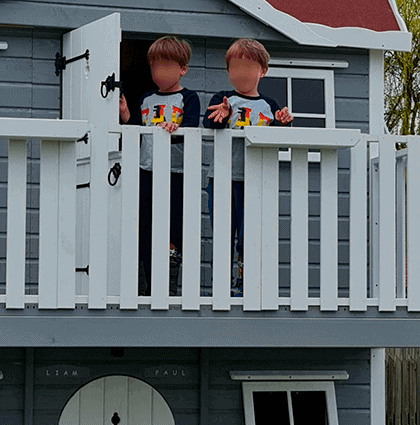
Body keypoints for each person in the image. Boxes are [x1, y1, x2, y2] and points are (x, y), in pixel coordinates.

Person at [204, 38, 292, 296]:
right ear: (228, 71)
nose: (242, 73)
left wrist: (283, 124)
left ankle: (244, 287)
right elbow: (211, 125)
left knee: (248, 236)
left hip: (256, 180)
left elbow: (279, 141)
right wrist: (223, 115)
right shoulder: (223, 99)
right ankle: (221, 287)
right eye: (236, 67)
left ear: (262, 71)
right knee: (222, 235)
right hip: (221, 178)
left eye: (248, 67)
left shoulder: (269, 105)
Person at [119, 36, 200, 297]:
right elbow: (139, 133)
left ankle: (167, 288)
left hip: (175, 173)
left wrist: (175, 128)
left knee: (172, 227)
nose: (160, 72)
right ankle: (146, 288)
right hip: (147, 169)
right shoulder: (145, 99)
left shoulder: (189, 97)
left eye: (166, 66)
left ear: (182, 69)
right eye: (155, 66)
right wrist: (126, 117)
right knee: (144, 225)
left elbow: (189, 127)